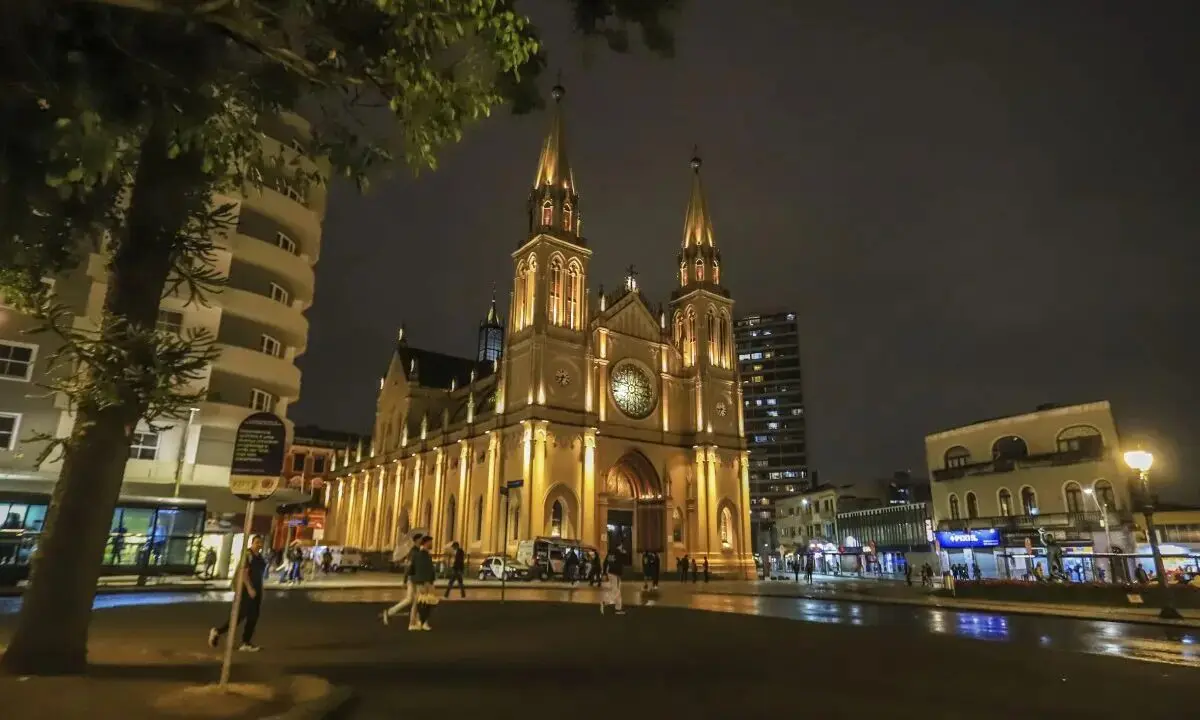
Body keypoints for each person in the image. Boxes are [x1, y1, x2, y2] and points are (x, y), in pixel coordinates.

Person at [208, 534, 267, 652]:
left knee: (248, 617)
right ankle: (229, 635)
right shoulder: (248, 555)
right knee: (245, 617)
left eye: (261, 543)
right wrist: (250, 588)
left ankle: (224, 634)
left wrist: (261, 589)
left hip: (256, 591)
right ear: (252, 543)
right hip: (247, 591)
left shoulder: (259, 557)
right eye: (257, 542)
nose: (259, 545)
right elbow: (244, 573)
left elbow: (259, 575)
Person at [382, 532, 424, 626]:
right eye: (421, 538)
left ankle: (414, 620)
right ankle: (390, 612)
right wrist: (405, 580)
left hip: (415, 578)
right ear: (417, 540)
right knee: (411, 599)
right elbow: (409, 567)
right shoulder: (414, 552)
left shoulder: (416, 551)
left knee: (415, 600)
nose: (422, 540)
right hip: (412, 579)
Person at [410, 535, 437, 630]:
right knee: (422, 603)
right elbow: (416, 569)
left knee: (426, 603)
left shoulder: (426, 555)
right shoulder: (420, 555)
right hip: (422, 583)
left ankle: (421, 622)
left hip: (427, 582)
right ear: (426, 543)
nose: (432, 544)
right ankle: (420, 622)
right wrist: (422, 581)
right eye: (431, 542)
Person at [600, 544, 625, 615]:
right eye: (621, 546)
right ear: (619, 546)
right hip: (616, 574)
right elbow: (624, 560)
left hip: (610, 572)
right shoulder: (619, 553)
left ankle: (618, 608)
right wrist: (623, 552)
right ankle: (605, 602)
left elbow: (605, 563)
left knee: (617, 591)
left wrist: (604, 573)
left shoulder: (610, 553)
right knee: (616, 591)